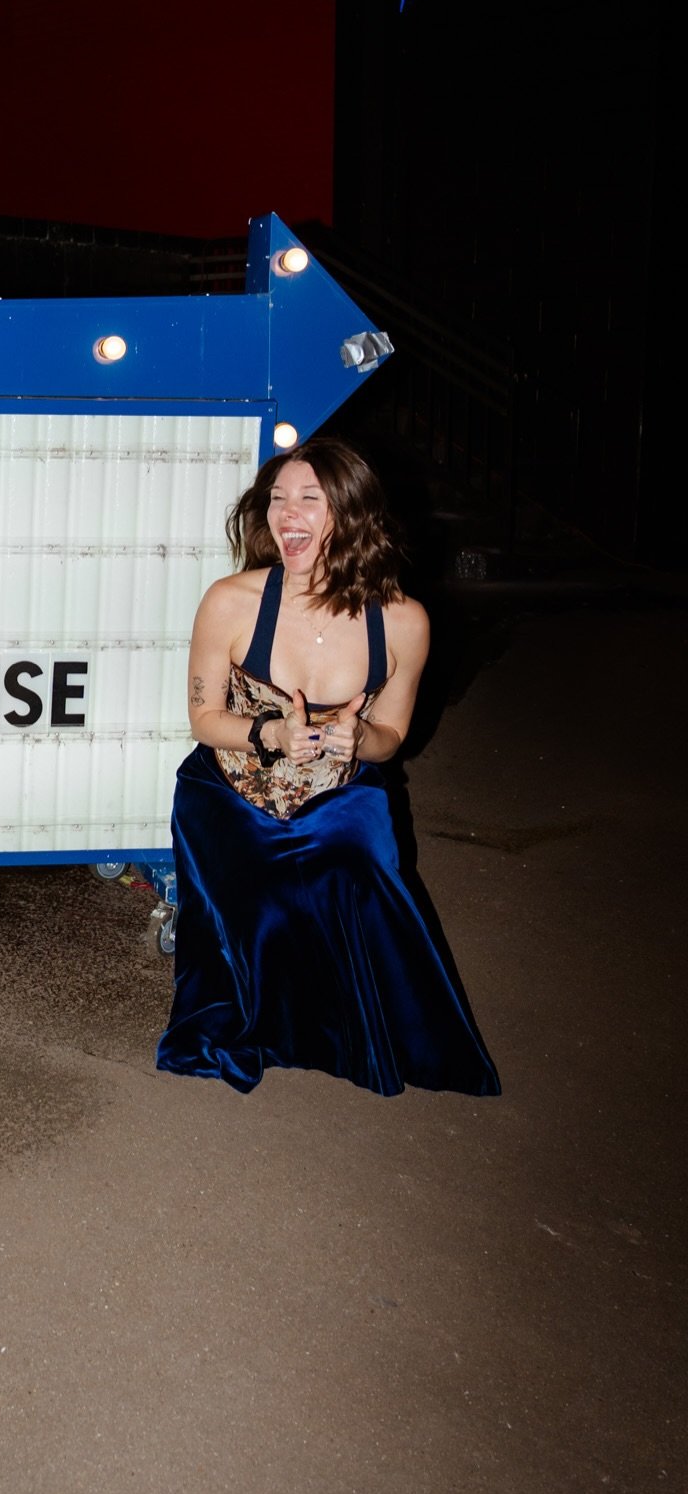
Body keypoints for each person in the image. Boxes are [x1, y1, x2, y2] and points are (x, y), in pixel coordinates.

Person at [156, 437, 500, 1097]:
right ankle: (244, 1022)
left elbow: (392, 735)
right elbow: (204, 720)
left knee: (364, 857)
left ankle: (366, 1027)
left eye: (310, 498)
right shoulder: (231, 601)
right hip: (233, 792)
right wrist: (269, 733)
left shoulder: (403, 621)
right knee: (246, 886)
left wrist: (359, 737)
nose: (288, 512)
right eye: (278, 497)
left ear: (351, 512)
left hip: (337, 796)